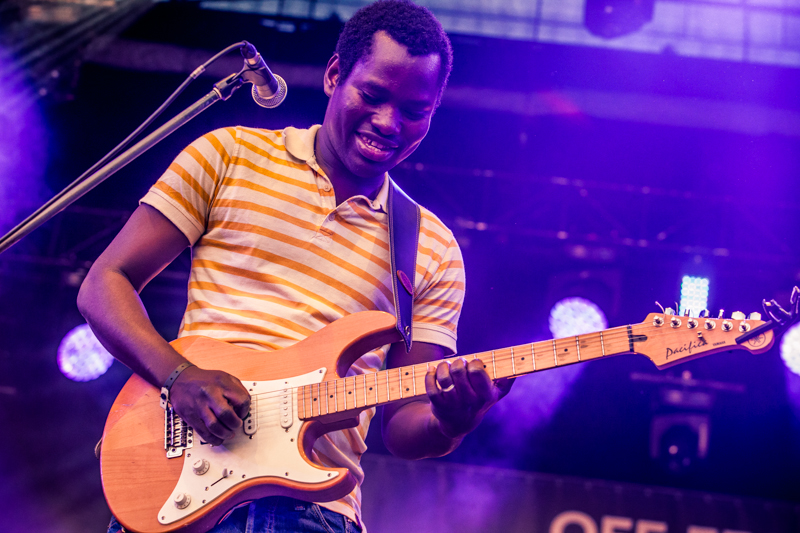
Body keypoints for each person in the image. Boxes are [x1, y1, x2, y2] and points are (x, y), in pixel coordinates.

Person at [78, 1, 511, 531]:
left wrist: (450, 421)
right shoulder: (227, 155)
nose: (387, 122)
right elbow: (105, 282)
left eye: (414, 111)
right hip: (181, 485)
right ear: (334, 75)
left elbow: (402, 427)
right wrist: (180, 376)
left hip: (314, 513)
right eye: (372, 96)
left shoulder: (433, 248)